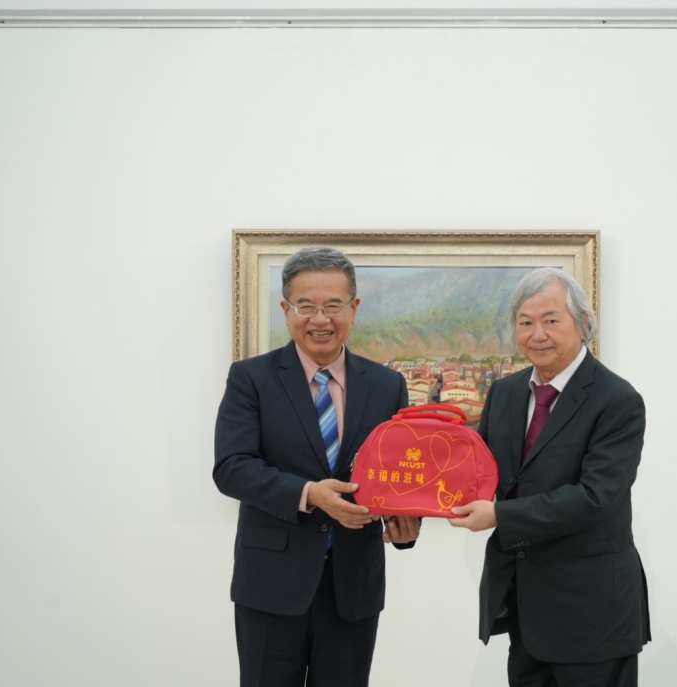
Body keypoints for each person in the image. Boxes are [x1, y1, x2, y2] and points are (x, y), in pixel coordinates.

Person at [214, 246, 420, 687]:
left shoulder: (387, 384)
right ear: (286, 310)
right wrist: (310, 495)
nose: (320, 319)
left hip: (353, 585)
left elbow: (398, 472)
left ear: (354, 309)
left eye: (333, 306)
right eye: (306, 306)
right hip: (271, 584)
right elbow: (231, 467)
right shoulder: (251, 378)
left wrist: (406, 523)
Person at [451, 267, 650, 687]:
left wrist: (500, 516)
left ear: (583, 323)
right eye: (525, 322)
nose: (537, 334)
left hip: (594, 615)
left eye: (551, 320)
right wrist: (406, 506)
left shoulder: (617, 400)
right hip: (524, 607)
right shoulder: (504, 393)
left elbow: (595, 497)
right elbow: (471, 472)